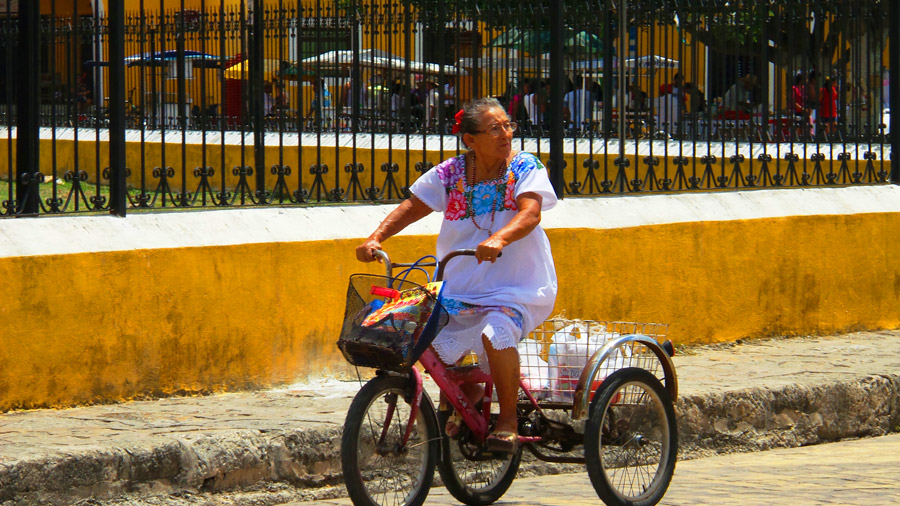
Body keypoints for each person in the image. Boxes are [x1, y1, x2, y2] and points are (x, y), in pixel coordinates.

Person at [355, 97, 558, 453]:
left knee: (497, 333)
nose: (505, 134)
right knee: (413, 333)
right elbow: (412, 206)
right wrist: (376, 237)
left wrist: (499, 238)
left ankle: (507, 419)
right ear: (470, 139)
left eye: (508, 125)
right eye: (495, 128)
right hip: (459, 284)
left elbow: (531, 213)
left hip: (514, 286)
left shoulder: (525, 166)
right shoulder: (451, 173)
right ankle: (469, 395)